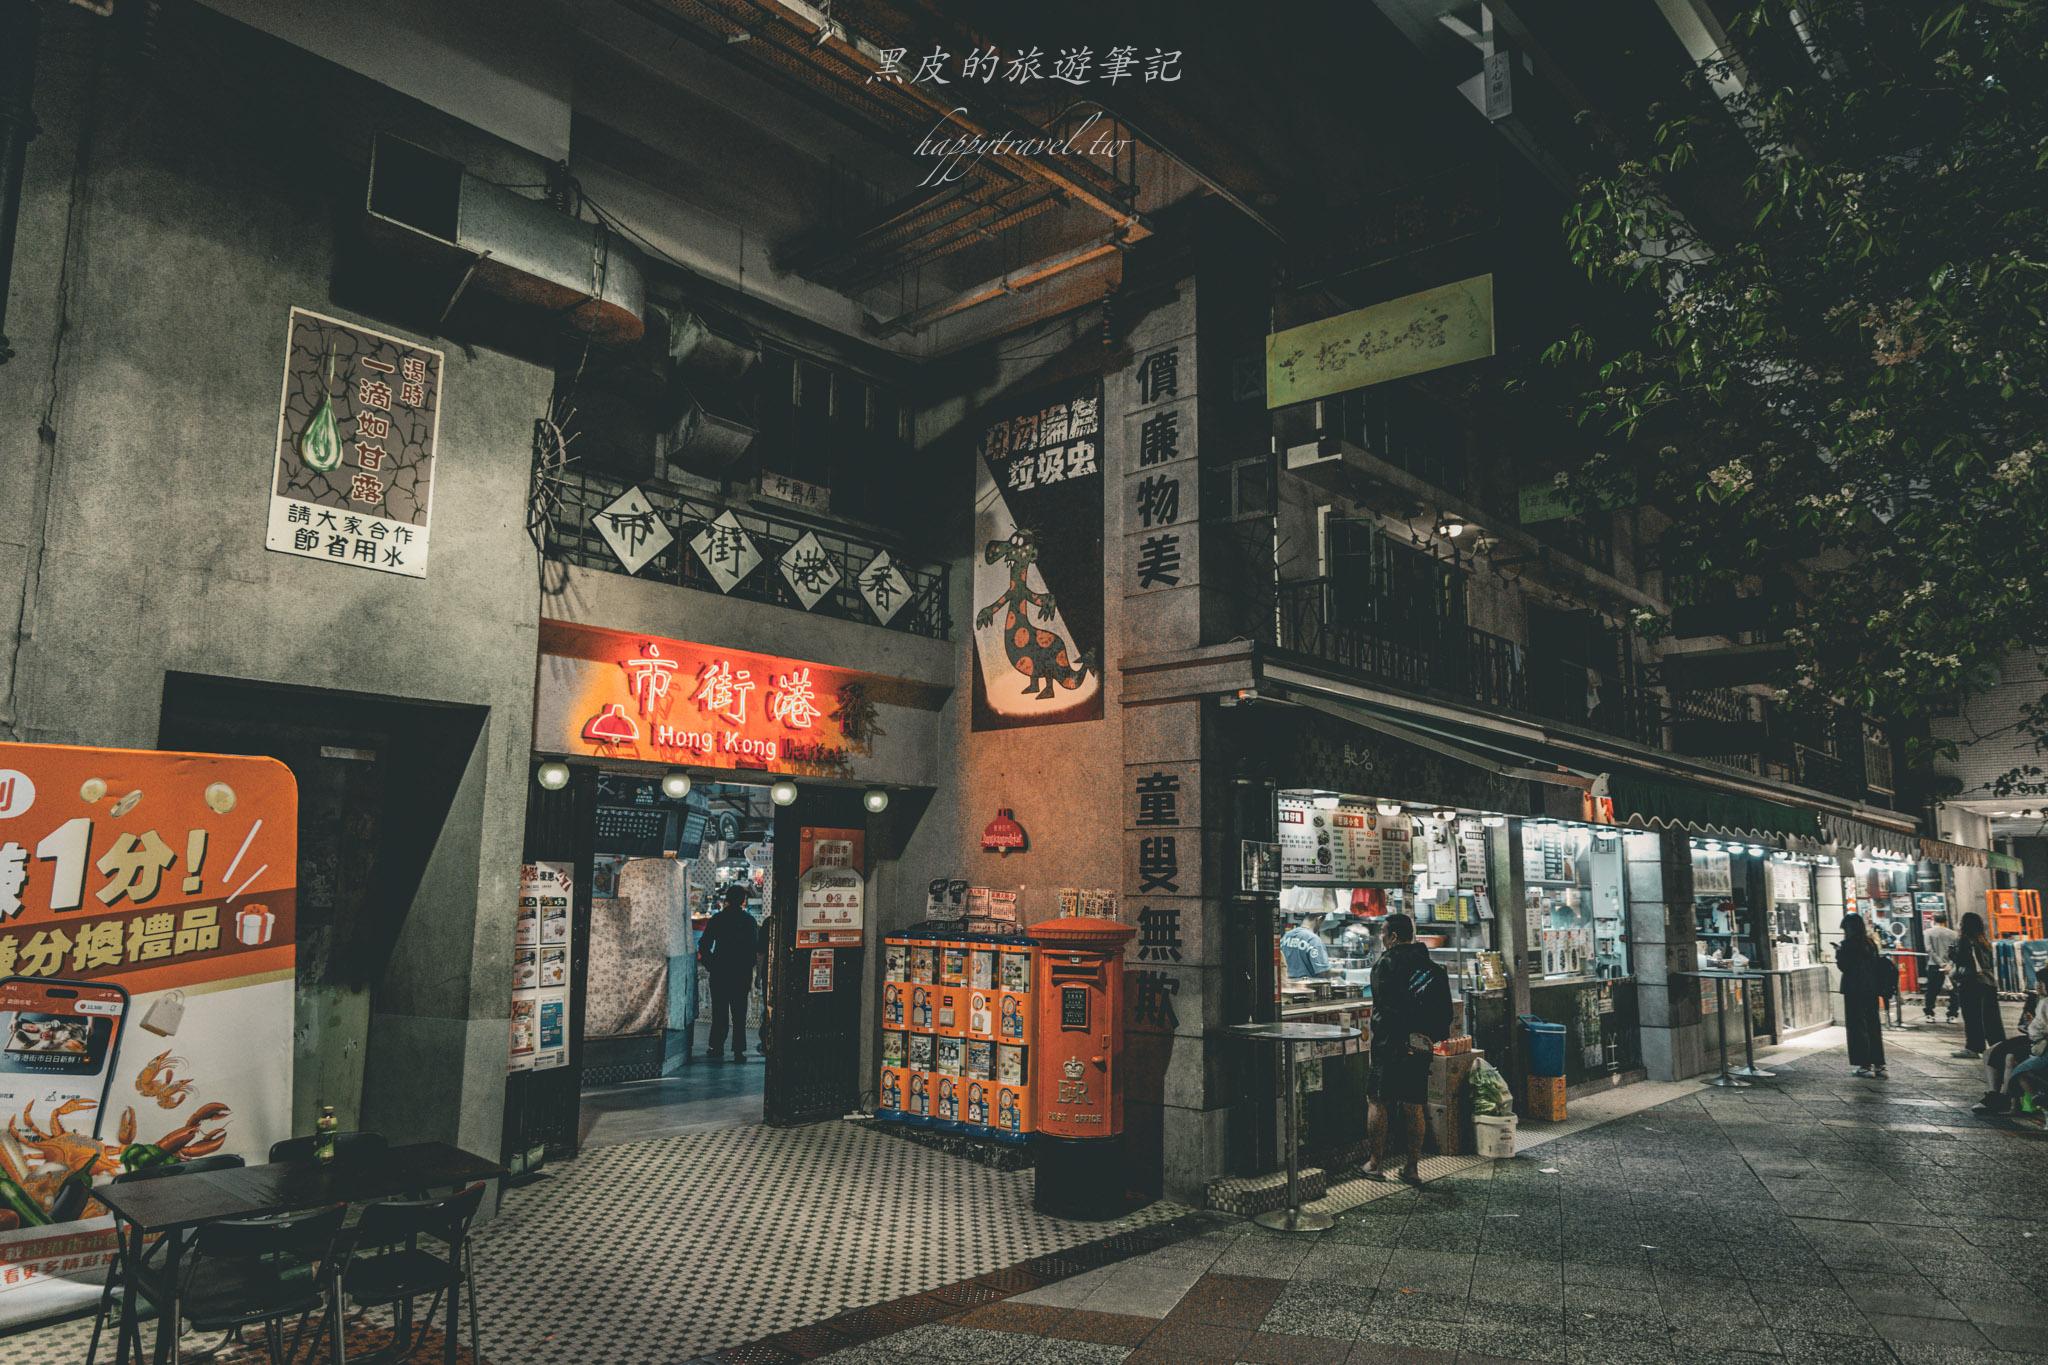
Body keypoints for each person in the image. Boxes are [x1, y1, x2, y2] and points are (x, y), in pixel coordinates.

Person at [1365, 913, 1452, 1185]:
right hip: (1420, 1044)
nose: (1381, 937)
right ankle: (1411, 1167)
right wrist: (1426, 1036)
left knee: (1378, 1100)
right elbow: (1445, 1012)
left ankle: (1375, 1164)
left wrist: (1396, 1034)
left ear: (1392, 936)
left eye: (1383, 932)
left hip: (1389, 1044)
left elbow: (1384, 1006)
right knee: (1414, 1104)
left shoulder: (1386, 964)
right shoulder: (1432, 968)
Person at [1975, 965, 2048, 1115]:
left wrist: (2038, 1028)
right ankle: (1993, 1094)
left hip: (2041, 1043)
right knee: (1990, 1051)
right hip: (2032, 1037)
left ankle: (2004, 1099)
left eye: (2041, 982)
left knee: (2011, 1057)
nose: (2037, 985)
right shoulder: (2035, 998)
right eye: (2037, 982)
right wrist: (2030, 1022)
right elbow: (2025, 1026)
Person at [698, 885, 758, 1061]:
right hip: (741, 973)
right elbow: (753, 949)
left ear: (727, 900)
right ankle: (739, 1051)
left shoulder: (718, 919)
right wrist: (748, 966)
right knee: (739, 1014)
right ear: (743, 901)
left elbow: (704, 945)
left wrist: (711, 964)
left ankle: (716, 1047)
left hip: (720, 972)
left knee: (720, 1012)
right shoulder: (749, 921)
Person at [1834, 913, 1888, 1078]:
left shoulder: (1848, 945)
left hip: (1854, 989)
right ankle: (1879, 1065)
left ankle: (1864, 1065)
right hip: (1871, 988)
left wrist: (1838, 952)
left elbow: (1844, 966)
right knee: (1873, 1025)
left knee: (1857, 1026)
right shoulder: (1870, 943)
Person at [1951, 911, 2006, 1060]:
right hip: (1988, 982)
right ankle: (1999, 1046)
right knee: (1991, 1017)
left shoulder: (1964, 940)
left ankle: (1973, 1047)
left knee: (1971, 1016)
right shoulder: (1983, 940)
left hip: (1971, 982)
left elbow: (1964, 960)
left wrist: (1953, 955)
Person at [1923, 915, 1960, 1022]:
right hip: (1950, 966)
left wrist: (1940, 963)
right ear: (1946, 921)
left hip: (1934, 965)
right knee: (1953, 991)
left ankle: (1930, 1014)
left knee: (1931, 991)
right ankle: (1952, 1015)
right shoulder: (1954, 934)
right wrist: (1948, 964)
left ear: (1934, 921)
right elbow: (1956, 951)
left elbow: (1929, 949)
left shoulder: (1928, 932)